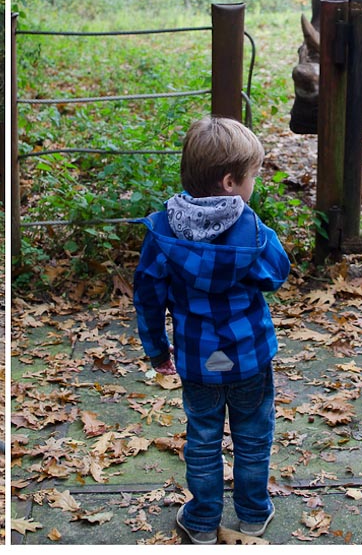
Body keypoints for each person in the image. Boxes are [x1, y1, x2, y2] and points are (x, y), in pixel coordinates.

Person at [133, 116, 290, 544]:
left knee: (203, 439)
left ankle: (202, 521)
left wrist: (157, 351)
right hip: (249, 357)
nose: (255, 184)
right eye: (253, 176)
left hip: (199, 360)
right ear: (229, 183)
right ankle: (254, 513)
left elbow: (147, 296)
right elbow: (277, 274)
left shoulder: (162, 231)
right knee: (253, 435)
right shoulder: (251, 231)